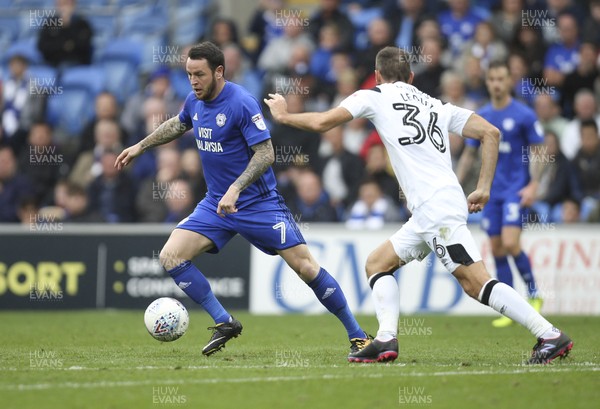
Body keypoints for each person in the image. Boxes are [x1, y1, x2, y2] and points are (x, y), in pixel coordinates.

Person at [265, 46, 573, 364]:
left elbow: (321, 122)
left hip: (435, 208)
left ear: (376, 76)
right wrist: (483, 188)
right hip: (435, 206)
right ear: (411, 77)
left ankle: (549, 334)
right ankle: (386, 339)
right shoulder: (436, 105)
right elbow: (490, 133)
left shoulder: (374, 95)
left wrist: (284, 115)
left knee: (475, 282)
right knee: (377, 263)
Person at [115, 42, 369, 357]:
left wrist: (236, 187)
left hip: (258, 204)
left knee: (305, 267)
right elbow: (179, 123)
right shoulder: (194, 101)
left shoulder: (241, 102)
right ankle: (225, 322)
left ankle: (359, 336)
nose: (193, 81)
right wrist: (141, 146)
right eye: (189, 74)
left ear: (219, 72)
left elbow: (266, 153)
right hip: (216, 205)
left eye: (200, 75)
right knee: (170, 257)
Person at [456, 60, 545, 328]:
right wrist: (455, 185)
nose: (496, 83)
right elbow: (469, 154)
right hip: (490, 193)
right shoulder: (481, 116)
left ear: (509, 82)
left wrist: (533, 185)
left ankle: (534, 294)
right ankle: (511, 307)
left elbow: (539, 151)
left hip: (515, 190)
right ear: (487, 82)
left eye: (500, 79)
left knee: (510, 242)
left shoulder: (524, 115)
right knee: (496, 248)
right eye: (491, 79)